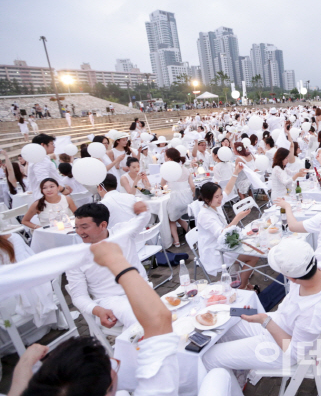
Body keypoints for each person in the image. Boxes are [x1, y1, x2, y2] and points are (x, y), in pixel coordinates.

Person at [202, 164, 321, 392]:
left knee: (209, 357)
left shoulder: (314, 311)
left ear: (293, 279)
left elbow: (294, 351)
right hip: (275, 321)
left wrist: (265, 321)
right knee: (224, 325)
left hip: (279, 347)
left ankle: (229, 385)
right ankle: (239, 375)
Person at [8, 239, 179, 396]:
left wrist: (25, 362)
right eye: (110, 364)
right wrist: (117, 263)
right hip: (109, 301)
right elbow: (159, 321)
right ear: (108, 389)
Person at [67, 202, 150, 329]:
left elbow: (143, 219)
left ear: (103, 225)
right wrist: (97, 310)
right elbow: (79, 296)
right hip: (112, 300)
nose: (79, 232)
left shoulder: (122, 232)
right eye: (76, 227)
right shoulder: (76, 257)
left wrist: (143, 210)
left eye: (84, 227)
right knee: (140, 320)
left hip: (140, 289)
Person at [196, 171, 260, 290]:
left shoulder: (214, 204)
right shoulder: (204, 214)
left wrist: (235, 171)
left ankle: (245, 285)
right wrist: (237, 218)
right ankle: (242, 287)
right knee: (253, 257)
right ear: (206, 199)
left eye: (220, 195)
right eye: (217, 196)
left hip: (226, 244)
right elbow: (222, 234)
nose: (220, 198)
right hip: (215, 251)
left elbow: (228, 190)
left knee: (250, 247)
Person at [160, 148, 194, 247]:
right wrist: (192, 195)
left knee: (172, 219)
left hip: (174, 198)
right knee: (179, 217)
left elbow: (162, 184)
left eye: (165, 156)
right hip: (187, 198)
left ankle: (176, 241)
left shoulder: (168, 170)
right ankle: (192, 234)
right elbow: (193, 186)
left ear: (169, 158)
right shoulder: (185, 169)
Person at [28, 133, 71, 200]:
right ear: (43, 145)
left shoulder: (42, 158)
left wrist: (62, 186)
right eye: (51, 144)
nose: (54, 146)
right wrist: (62, 189)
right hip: (48, 199)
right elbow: (44, 181)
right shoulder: (40, 160)